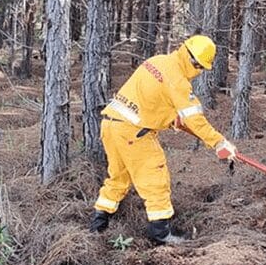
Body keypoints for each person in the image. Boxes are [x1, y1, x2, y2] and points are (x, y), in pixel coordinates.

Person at [88, 35, 237, 244]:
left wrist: (170, 118)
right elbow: (195, 120)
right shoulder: (178, 81)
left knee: (118, 178)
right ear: (194, 62)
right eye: (201, 68)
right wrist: (219, 142)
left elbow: (151, 98)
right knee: (156, 178)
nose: (200, 72)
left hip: (111, 125)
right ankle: (161, 234)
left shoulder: (158, 61)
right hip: (134, 133)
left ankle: (98, 224)